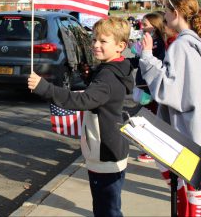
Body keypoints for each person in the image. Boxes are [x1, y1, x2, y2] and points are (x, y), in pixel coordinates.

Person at [28, 17, 134, 217]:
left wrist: (45, 88)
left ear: (121, 46)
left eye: (103, 41)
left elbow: (82, 101)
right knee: (107, 206)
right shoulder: (115, 68)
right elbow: (103, 92)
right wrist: (90, 76)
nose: (95, 45)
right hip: (112, 145)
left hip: (105, 151)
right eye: (94, 39)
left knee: (107, 210)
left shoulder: (108, 77)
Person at [139, 0, 201, 217]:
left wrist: (146, 56)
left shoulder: (181, 46)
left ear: (176, 13)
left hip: (187, 134)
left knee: (188, 204)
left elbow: (169, 91)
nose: (164, 16)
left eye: (166, 10)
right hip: (195, 129)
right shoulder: (195, 43)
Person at [129, 11, 166, 163]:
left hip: (152, 86)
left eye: (145, 25)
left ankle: (154, 150)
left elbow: (152, 62)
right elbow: (139, 60)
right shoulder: (152, 41)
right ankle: (152, 148)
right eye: (141, 24)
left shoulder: (159, 44)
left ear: (155, 26)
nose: (142, 28)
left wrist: (145, 51)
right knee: (149, 117)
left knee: (152, 119)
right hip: (145, 85)